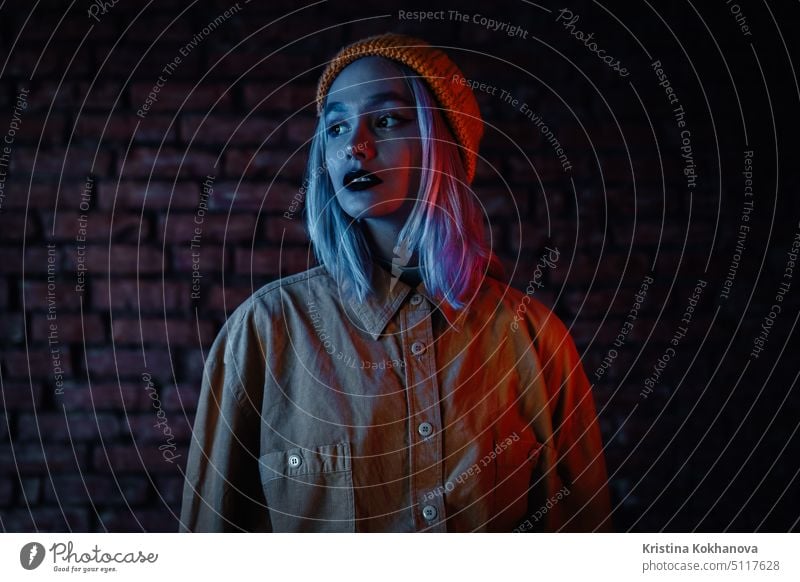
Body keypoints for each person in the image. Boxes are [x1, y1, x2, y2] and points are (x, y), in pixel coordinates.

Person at [179, 33, 612, 532]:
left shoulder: (536, 342)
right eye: (336, 127)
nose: (355, 147)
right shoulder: (264, 333)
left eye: (386, 120)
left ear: (443, 143)